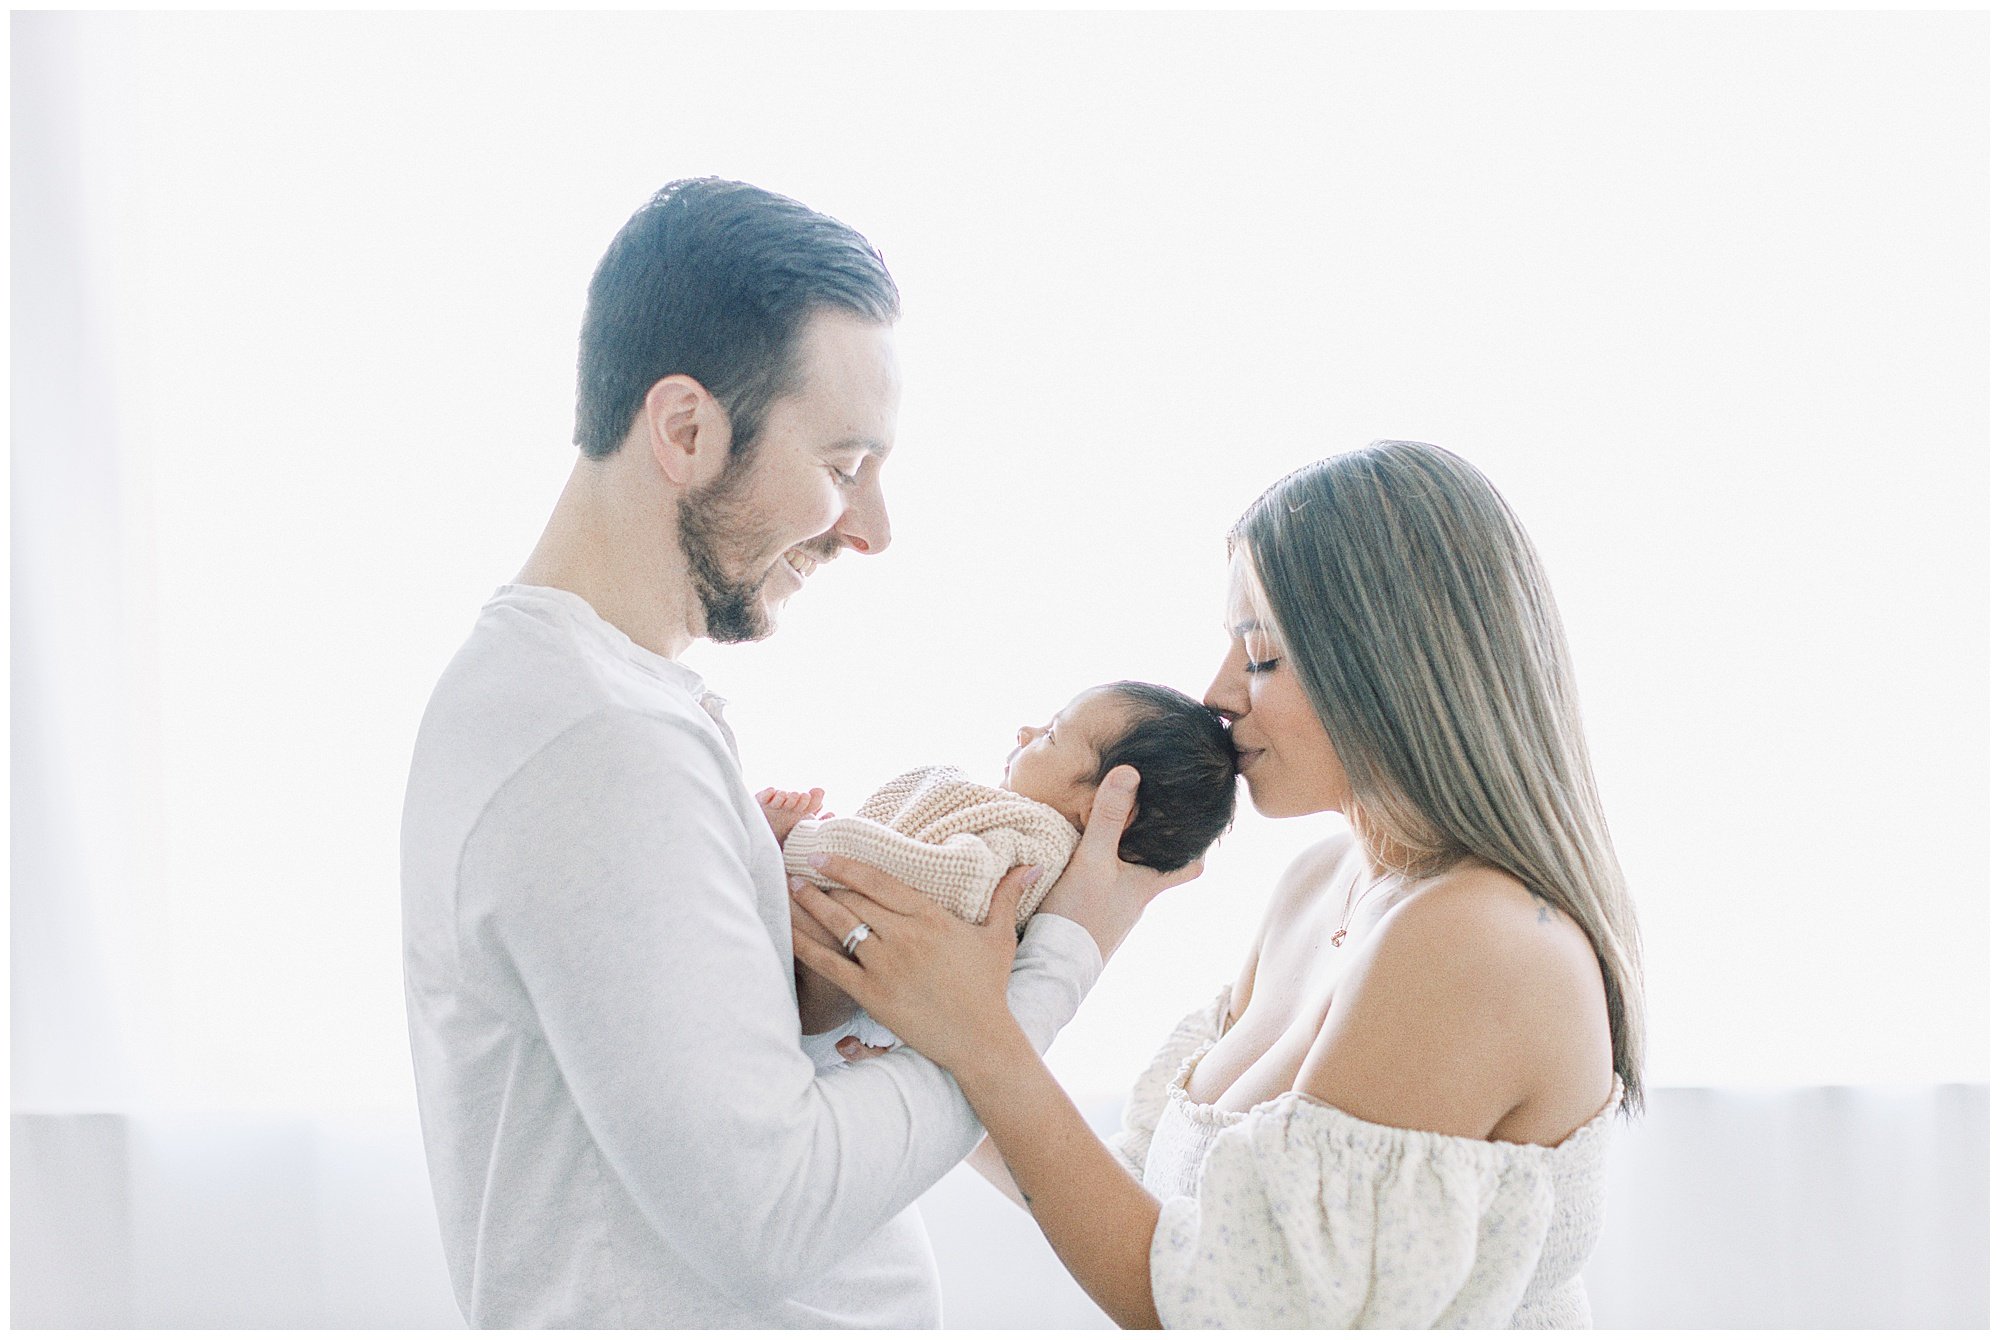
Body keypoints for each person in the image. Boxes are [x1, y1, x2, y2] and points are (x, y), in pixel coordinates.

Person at [399, 178, 1193, 1327]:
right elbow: (768, 1212)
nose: (872, 530)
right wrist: (1057, 959)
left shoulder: (595, 704)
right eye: (841, 465)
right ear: (683, 429)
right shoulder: (599, 741)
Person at [793, 440, 1647, 1328]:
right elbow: (1152, 1203)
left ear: (1397, 666)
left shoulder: (1481, 940)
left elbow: (1220, 1308)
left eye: (1264, 657)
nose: (1215, 694)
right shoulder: (1323, 886)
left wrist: (979, 1040)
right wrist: (924, 1015)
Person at [762, 680, 1237, 1056]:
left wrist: (791, 840)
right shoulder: (1022, 830)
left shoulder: (1042, 844)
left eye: (1051, 736)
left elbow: (940, 877)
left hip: (823, 977)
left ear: (1104, 805)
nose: (1026, 733)